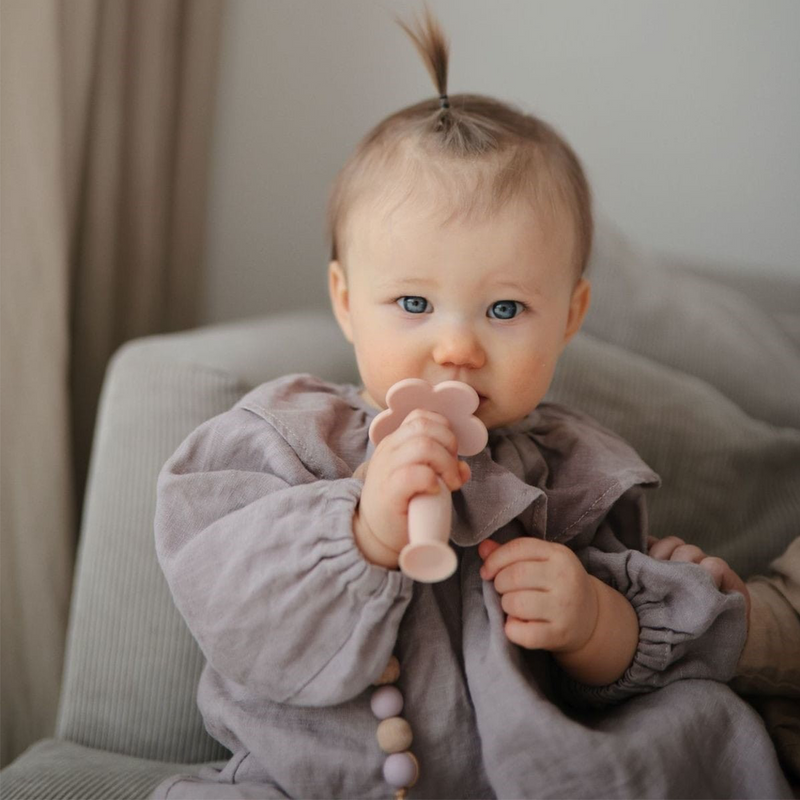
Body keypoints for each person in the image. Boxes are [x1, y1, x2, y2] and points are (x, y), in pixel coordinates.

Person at [151, 7, 791, 799]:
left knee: (699, 725)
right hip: (305, 780)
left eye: (503, 311)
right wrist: (365, 531)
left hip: (524, 778)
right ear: (346, 303)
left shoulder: (574, 474)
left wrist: (593, 623)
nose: (457, 348)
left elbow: (623, 677)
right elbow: (236, 618)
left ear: (569, 317)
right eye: (414, 305)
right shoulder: (289, 438)